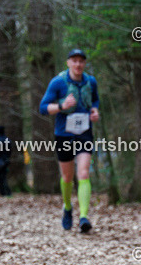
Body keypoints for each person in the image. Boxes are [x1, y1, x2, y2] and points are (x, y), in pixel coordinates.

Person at [38, 49, 100, 233]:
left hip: (84, 133)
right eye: (74, 61)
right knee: (67, 177)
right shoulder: (58, 82)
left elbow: (95, 101)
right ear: (68, 63)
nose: (78, 64)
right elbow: (42, 107)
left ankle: (83, 217)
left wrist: (95, 111)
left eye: (81, 61)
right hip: (64, 134)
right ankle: (67, 207)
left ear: (84, 64)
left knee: (83, 174)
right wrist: (61, 106)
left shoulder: (91, 81)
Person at [0, 126, 12, 196]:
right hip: (6, 161)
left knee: (1, 178)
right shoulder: (8, 140)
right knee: (3, 177)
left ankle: (5, 192)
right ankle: (5, 192)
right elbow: (10, 151)